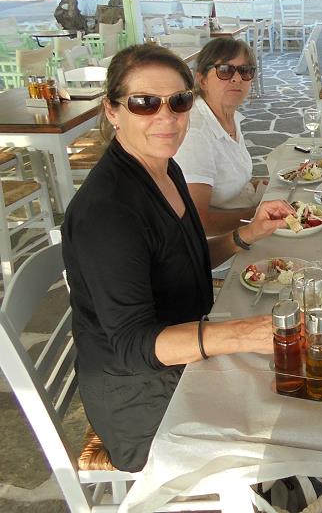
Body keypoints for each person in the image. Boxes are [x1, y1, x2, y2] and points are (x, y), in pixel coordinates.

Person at [62, 44, 295, 472]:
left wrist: (246, 235)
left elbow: (183, 259)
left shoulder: (164, 168)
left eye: (179, 101)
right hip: (141, 400)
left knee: (299, 387)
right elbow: (133, 345)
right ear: (113, 110)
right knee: (291, 426)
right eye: (144, 103)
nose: (166, 117)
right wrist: (240, 334)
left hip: (184, 355)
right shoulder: (107, 213)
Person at [174, 38, 267, 236]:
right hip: (219, 243)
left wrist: (260, 185)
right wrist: (259, 216)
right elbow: (198, 222)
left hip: (243, 218)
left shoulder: (227, 116)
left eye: (245, 71)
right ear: (202, 80)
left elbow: (228, 179)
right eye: (225, 70)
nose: (237, 78)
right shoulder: (195, 133)